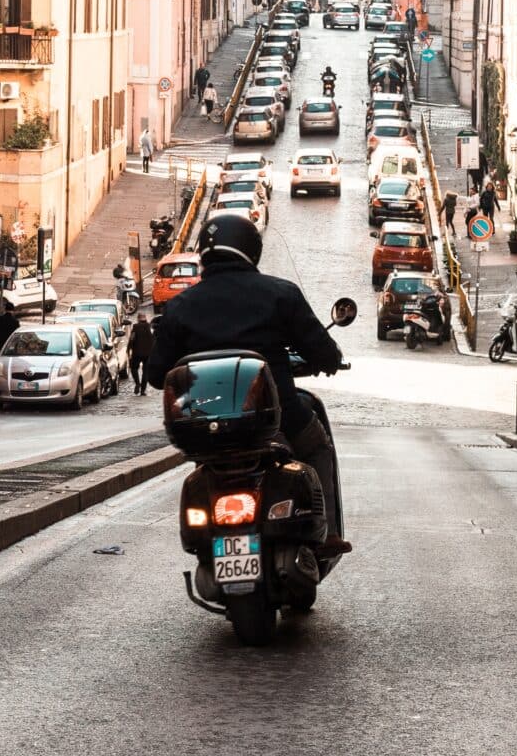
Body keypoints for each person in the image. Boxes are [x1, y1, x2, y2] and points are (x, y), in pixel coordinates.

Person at [147, 212, 351, 551]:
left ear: (204, 253)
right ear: (251, 250)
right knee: (316, 448)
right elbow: (323, 352)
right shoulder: (279, 294)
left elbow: (156, 375)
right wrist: (328, 361)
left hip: (203, 425)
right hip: (278, 416)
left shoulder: (181, 306)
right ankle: (326, 534)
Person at [128, 311, 156, 394]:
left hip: (137, 353)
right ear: (145, 318)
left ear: (138, 319)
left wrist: (129, 348)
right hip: (148, 353)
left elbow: (132, 339)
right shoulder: (150, 327)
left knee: (134, 368)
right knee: (145, 372)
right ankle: (143, 391)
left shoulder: (135, 327)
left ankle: (137, 383)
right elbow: (154, 339)